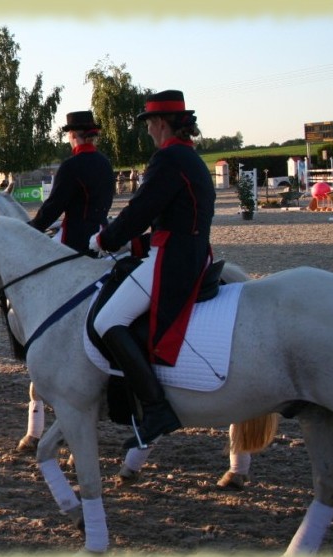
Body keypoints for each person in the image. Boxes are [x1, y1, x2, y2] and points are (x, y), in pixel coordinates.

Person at [88, 90, 216, 449]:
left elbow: (139, 210)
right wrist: (133, 245)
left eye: (148, 124)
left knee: (106, 321)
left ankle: (157, 408)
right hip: (190, 251)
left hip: (173, 260)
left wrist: (106, 240)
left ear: (160, 123)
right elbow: (173, 221)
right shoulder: (190, 157)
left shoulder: (168, 158)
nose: (147, 131)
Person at [28, 111, 115, 255]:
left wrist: (31, 228)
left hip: (76, 239)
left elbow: (54, 206)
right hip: (102, 232)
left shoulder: (70, 166)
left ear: (72, 135)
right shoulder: (105, 162)